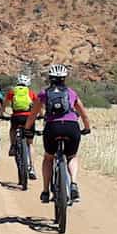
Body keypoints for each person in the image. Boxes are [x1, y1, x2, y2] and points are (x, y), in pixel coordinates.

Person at [37, 63, 92, 205]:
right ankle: (73, 184)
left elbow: (32, 115)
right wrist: (86, 128)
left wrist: (27, 128)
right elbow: (84, 115)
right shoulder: (71, 93)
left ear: (50, 78)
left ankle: (45, 191)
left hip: (52, 128)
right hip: (71, 127)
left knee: (48, 157)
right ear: (64, 78)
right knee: (71, 156)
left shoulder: (44, 93)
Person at [4, 73, 38, 189]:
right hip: (29, 118)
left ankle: (13, 146)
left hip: (16, 117)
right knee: (30, 143)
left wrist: (2, 112)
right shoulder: (31, 92)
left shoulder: (12, 91)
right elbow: (37, 105)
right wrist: (41, 115)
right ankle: (31, 168)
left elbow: (5, 103)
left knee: (12, 129)